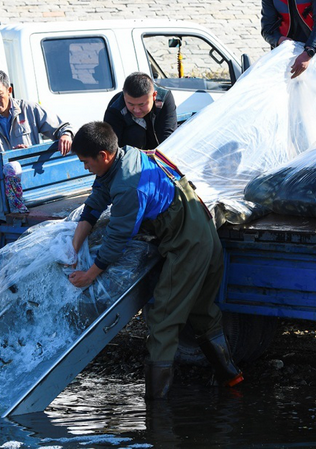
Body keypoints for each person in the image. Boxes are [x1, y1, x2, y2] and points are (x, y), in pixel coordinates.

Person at [67, 122, 243, 399]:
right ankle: (232, 378)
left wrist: (89, 275)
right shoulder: (125, 156)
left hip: (189, 241)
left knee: (163, 317)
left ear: (103, 155)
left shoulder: (128, 184)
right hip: (201, 224)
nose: (84, 167)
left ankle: (156, 408)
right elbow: (95, 203)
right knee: (200, 310)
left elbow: (118, 236)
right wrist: (74, 247)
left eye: (85, 162)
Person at [0, 68, 73, 314]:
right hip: (0, 206)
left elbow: (61, 126)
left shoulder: (29, 110)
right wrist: (14, 158)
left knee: (36, 261)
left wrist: (65, 135)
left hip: (33, 201)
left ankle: (37, 311)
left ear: (9, 90)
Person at [103, 72, 177, 150]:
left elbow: (169, 138)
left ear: (154, 95)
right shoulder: (115, 108)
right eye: (130, 104)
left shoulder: (164, 99)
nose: (136, 110)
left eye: (141, 105)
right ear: (124, 96)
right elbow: (110, 147)